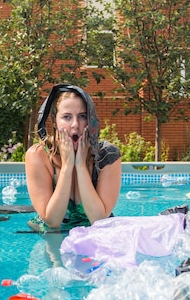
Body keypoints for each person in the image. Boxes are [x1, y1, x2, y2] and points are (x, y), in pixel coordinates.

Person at [25, 84, 122, 233]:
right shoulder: (38, 156)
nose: (75, 125)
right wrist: (67, 165)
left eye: (82, 116)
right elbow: (52, 222)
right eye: (66, 117)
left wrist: (81, 165)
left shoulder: (107, 156)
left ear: (90, 121)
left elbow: (99, 220)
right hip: (51, 239)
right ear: (55, 122)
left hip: (97, 237)